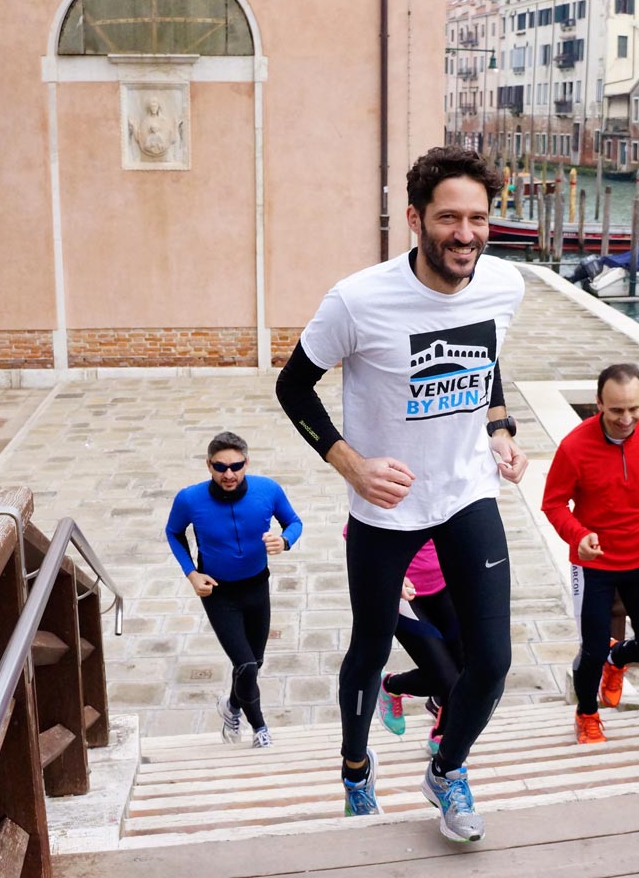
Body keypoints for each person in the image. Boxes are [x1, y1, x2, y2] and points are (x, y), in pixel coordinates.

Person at [276, 145, 525, 843]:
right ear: (415, 219)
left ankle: (447, 768)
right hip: (385, 507)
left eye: (478, 217)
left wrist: (499, 426)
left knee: (495, 661)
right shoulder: (358, 299)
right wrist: (349, 463)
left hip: (466, 491)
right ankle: (356, 767)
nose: (466, 233)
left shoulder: (505, 285)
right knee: (370, 648)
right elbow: (292, 386)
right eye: (450, 217)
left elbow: (488, 351)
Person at [542, 363, 639, 745]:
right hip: (594, 565)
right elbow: (553, 505)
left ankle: (618, 658)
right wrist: (579, 536)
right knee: (591, 650)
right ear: (598, 405)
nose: (627, 419)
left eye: (634, 409)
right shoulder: (574, 447)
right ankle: (587, 714)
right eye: (616, 410)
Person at [165, 432, 302, 749]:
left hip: (257, 587)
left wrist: (285, 541)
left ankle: (230, 706)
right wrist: (191, 573)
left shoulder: (267, 489)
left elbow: (294, 522)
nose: (229, 474)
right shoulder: (190, 499)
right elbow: (174, 533)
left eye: (236, 466)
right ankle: (260, 728)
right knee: (245, 665)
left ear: (246, 463)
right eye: (220, 467)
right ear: (209, 465)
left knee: (254, 663)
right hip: (219, 593)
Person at [378, 540, 462, 757]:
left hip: (447, 582)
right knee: (447, 677)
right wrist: (387, 575)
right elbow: (355, 535)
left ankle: (443, 732)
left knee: (464, 670)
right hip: (404, 592)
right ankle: (390, 685)